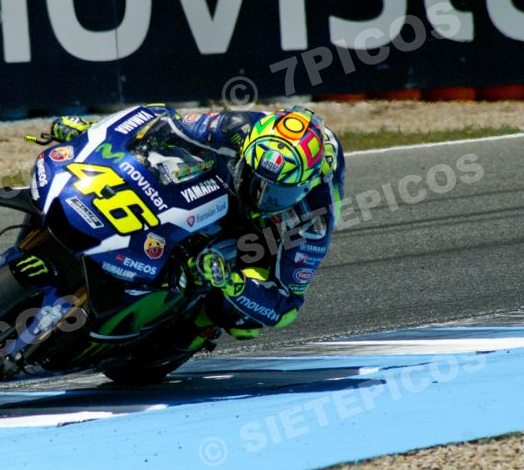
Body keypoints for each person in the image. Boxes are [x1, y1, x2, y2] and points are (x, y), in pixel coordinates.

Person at [50, 105, 345, 347]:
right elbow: (163, 124)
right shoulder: (235, 127)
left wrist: (233, 282)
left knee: (242, 321)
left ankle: (196, 327)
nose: (261, 196)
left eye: (278, 192)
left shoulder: (313, 217)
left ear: (305, 187)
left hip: (268, 229)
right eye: (255, 179)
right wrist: (93, 131)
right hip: (226, 181)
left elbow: (286, 307)